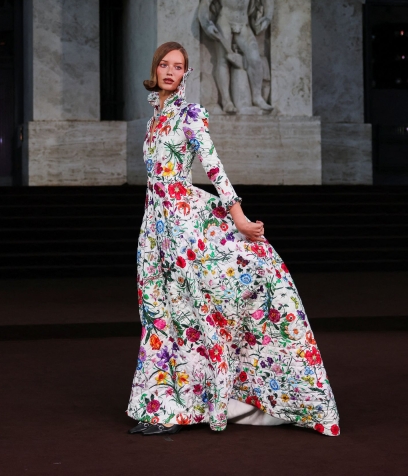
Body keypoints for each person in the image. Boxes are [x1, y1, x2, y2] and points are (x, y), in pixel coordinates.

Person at [126, 41, 340, 436]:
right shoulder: (153, 120)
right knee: (160, 314)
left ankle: (228, 399)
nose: (170, 72)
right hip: (154, 227)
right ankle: (163, 407)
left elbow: (213, 164)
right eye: (165, 65)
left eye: (179, 67)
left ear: (186, 75)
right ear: (155, 69)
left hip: (186, 225)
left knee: (197, 314)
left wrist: (237, 214)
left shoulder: (191, 114)